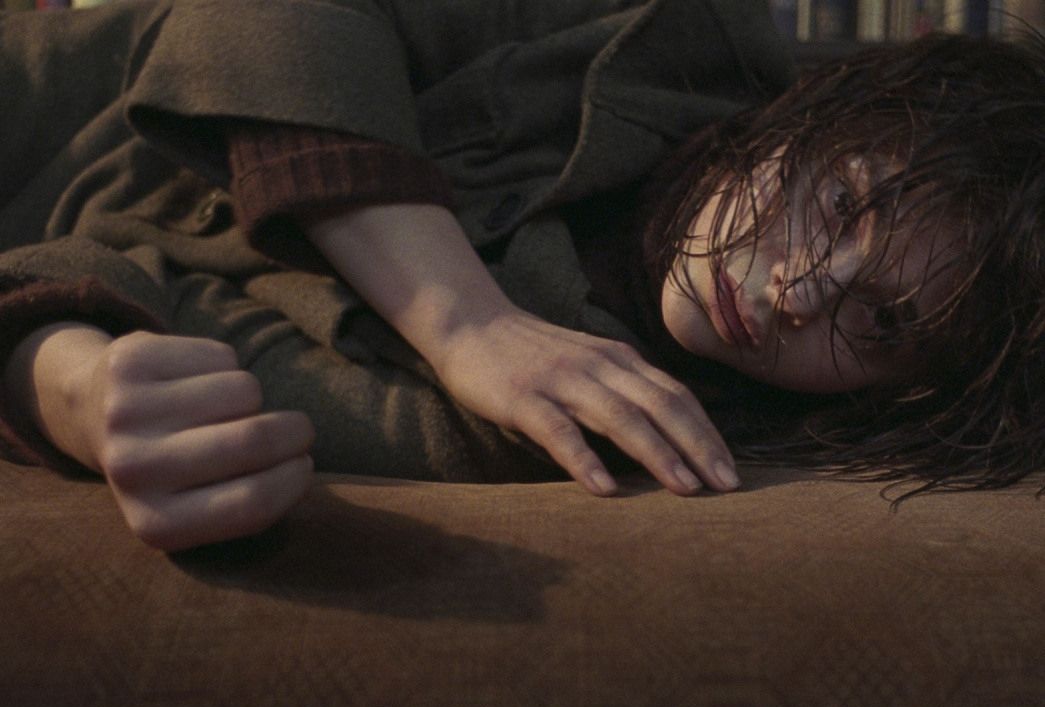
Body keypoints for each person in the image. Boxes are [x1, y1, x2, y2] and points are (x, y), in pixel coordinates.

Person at [0, 0, 1042, 551]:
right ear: (815, 115)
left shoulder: (601, 432)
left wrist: (61, 379)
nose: (796, 294)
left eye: (883, 322)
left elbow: (184, 362)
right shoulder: (658, 31)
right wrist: (466, 321)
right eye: (844, 202)